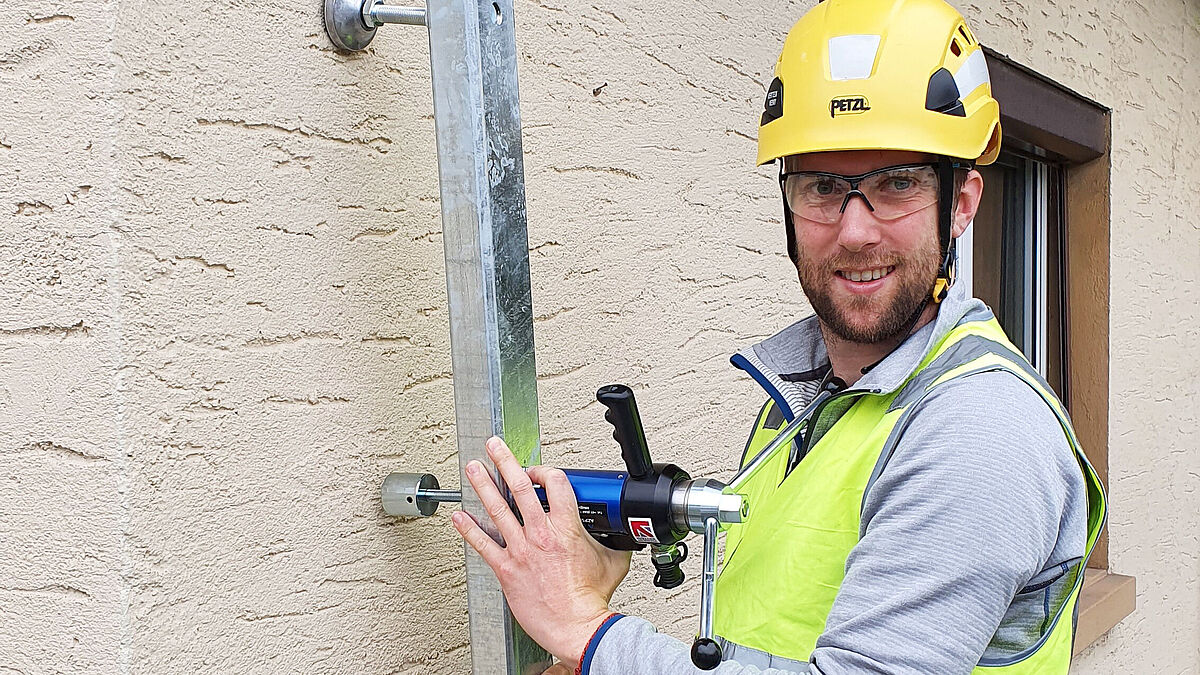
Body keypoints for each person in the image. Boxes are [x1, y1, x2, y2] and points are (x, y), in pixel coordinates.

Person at [450, 0, 1106, 672]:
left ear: (961, 203)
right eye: (824, 186)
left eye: (897, 183)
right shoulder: (808, 395)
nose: (855, 230)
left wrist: (590, 633)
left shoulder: (978, 428)